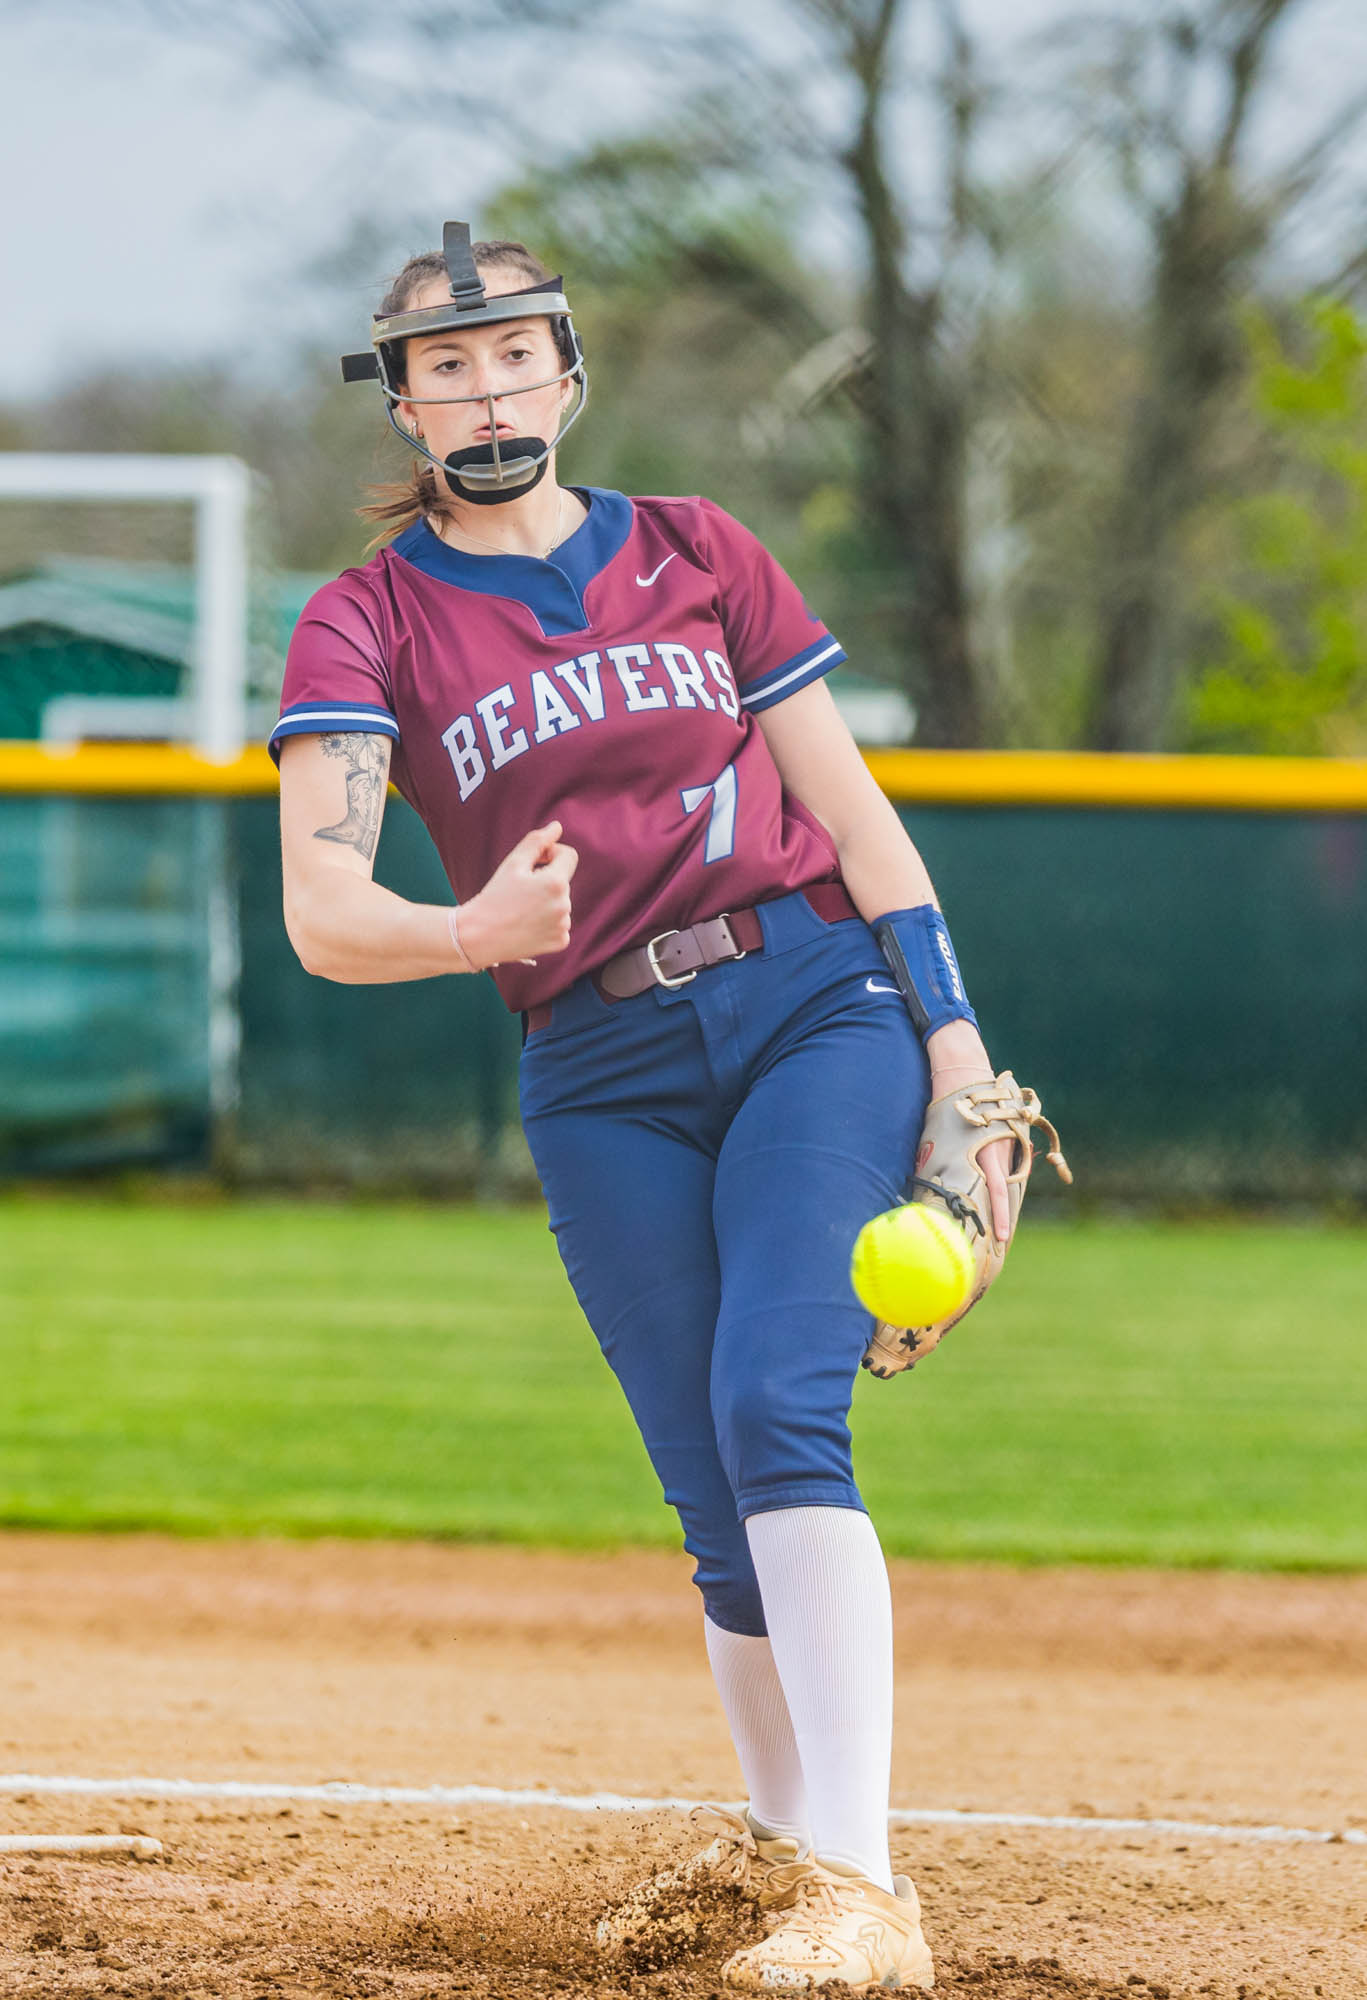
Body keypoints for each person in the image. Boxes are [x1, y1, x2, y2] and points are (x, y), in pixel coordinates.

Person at [274, 221, 1015, 1995]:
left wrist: (960, 1057)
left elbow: (856, 820)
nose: (486, 389)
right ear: (403, 404)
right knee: (705, 1477)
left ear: (569, 373)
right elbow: (323, 910)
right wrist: (466, 932)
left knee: (776, 1403)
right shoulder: (367, 618)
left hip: (809, 998)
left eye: (513, 354)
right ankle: (783, 1853)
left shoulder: (696, 549)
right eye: (445, 366)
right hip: (595, 1067)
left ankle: (864, 1893)